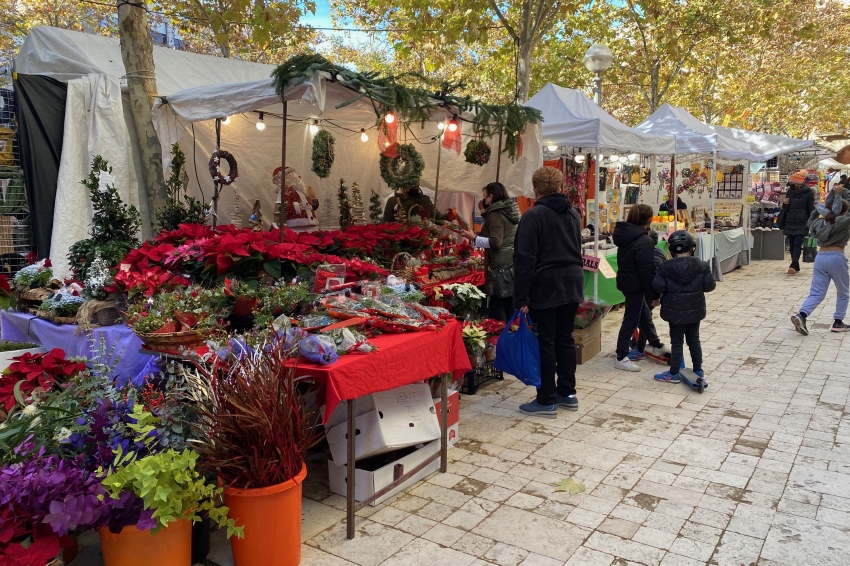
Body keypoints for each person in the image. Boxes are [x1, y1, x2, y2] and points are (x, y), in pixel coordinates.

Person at [512, 167, 584, 417]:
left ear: (536, 188)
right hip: (572, 282)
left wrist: (520, 297)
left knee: (547, 341)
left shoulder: (533, 216)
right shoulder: (573, 214)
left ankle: (546, 400)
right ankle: (567, 393)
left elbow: (524, 259)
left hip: (547, 285)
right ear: (560, 186)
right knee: (565, 339)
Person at [651, 230, 716, 383]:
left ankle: (673, 373)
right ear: (692, 247)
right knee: (694, 339)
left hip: (674, 312)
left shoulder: (665, 267)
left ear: (671, 250)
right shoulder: (702, 265)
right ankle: (698, 370)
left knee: (677, 342)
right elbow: (709, 287)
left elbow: (658, 286)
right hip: (695, 310)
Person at [613, 204, 669, 372]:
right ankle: (621, 356)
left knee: (643, 314)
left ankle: (654, 343)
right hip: (635, 283)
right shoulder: (642, 240)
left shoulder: (626, 234)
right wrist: (654, 294)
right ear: (649, 220)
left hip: (627, 280)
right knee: (631, 319)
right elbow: (646, 270)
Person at [461, 183, 520, 322]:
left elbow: (496, 243)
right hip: (510, 264)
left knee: (497, 305)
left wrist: (474, 238)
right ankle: (510, 337)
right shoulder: (510, 211)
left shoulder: (495, 214)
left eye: (484, 197)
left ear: (491, 197)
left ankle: (498, 339)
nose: (483, 200)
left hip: (499, 267)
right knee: (509, 304)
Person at [791, 198, 850, 335]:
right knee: (843, 292)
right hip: (837, 256)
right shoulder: (842, 222)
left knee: (817, 292)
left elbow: (809, 221)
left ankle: (802, 315)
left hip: (820, 257)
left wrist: (817, 208)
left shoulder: (818, 222)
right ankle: (838, 322)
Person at [631, 230, 667, 359]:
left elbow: (655, 280)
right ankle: (642, 345)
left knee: (645, 319)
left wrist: (655, 296)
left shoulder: (653, 257)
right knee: (644, 319)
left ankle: (642, 347)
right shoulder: (659, 252)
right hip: (650, 292)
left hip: (650, 293)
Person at [780, 169, 815, 274]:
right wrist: (785, 203)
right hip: (790, 220)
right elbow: (785, 207)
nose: (791, 184)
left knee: (797, 244)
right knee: (791, 245)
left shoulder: (809, 193)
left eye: (793, 182)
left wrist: (811, 223)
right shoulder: (790, 191)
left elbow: (811, 208)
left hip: (802, 221)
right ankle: (795, 264)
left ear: (798, 182)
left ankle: (794, 264)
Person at [382, 186, 447, 223]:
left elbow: (437, 216)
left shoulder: (424, 200)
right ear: (404, 186)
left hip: (421, 238)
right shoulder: (393, 200)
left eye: (417, 187)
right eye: (413, 186)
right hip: (400, 238)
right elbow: (386, 221)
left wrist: (449, 216)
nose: (415, 189)